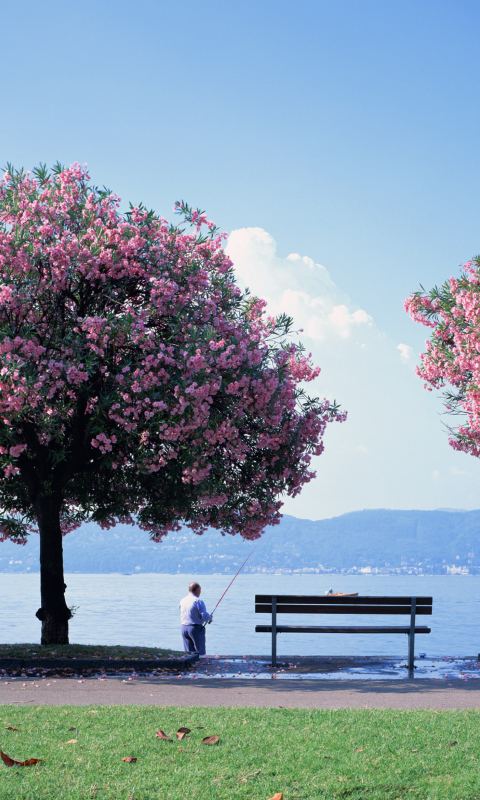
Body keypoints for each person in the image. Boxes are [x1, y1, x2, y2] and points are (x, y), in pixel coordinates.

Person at [179, 582, 212, 656]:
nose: (200, 593)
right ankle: (201, 667)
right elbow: (204, 617)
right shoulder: (198, 601)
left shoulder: (182, 600)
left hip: (184, 628)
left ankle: (190, 667)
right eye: (200, 591)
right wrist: (210, 617)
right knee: (200, 654)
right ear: (197, 590)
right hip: (195, 629)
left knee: (189, 654)